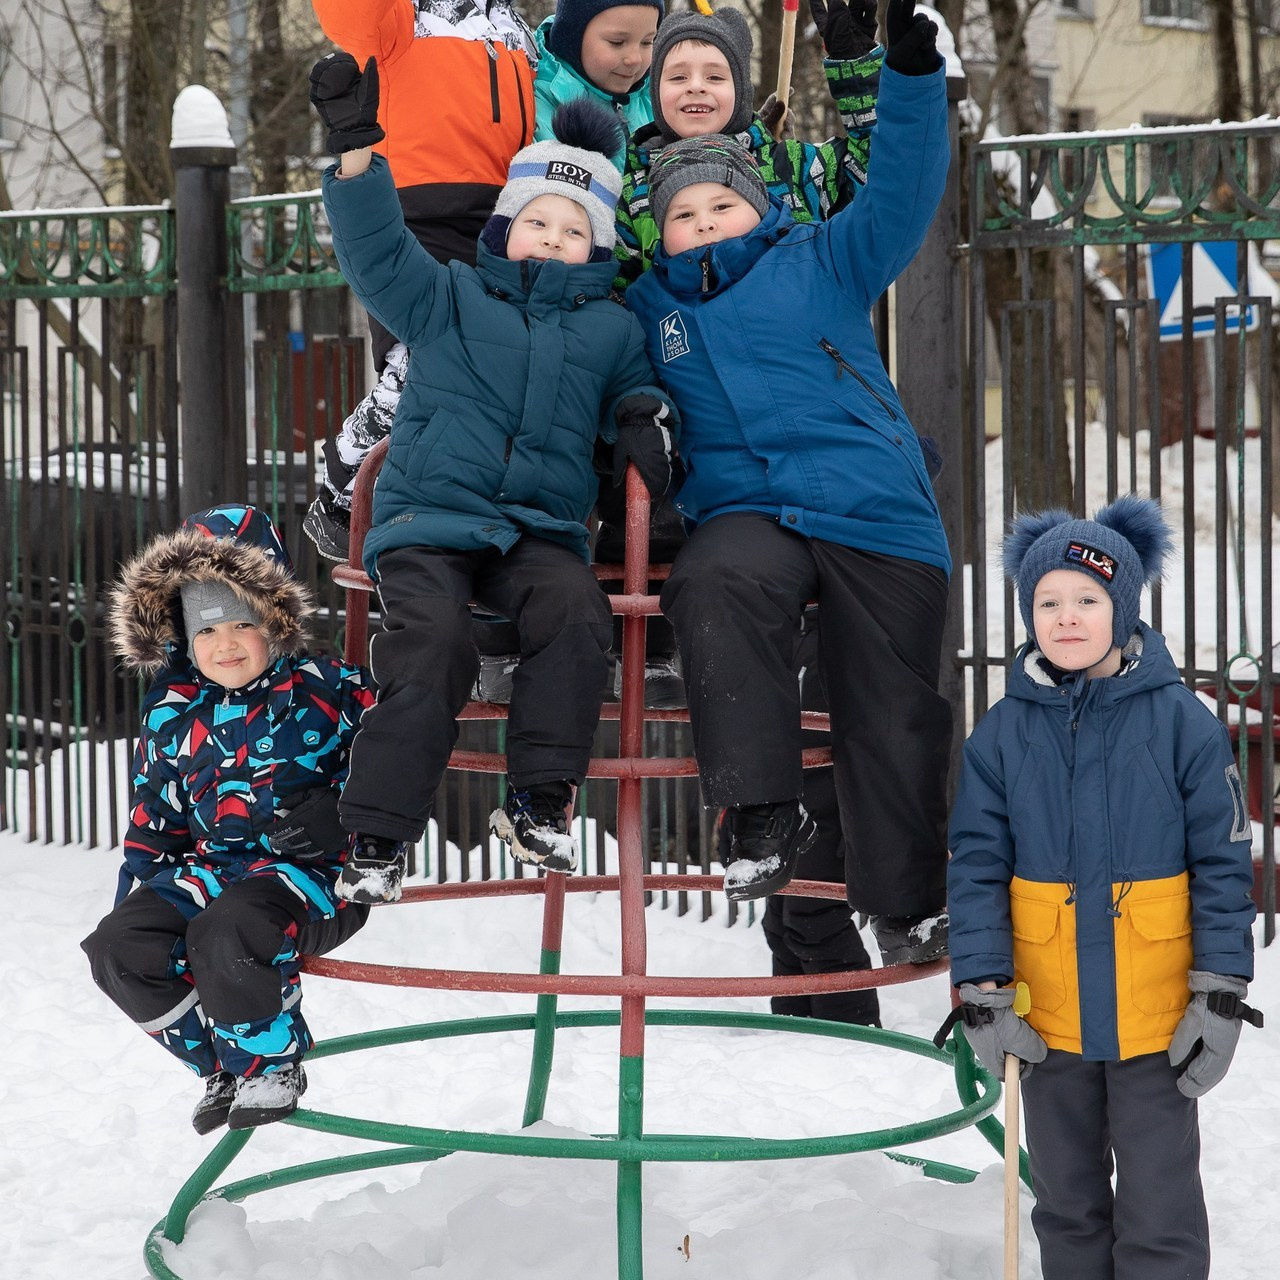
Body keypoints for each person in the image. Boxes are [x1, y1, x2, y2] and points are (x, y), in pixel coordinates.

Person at [622, 0, 951, 967]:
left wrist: (908, 79)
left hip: (869, 501)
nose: (704, 220)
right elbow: (573, 352)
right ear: (661, 232)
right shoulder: (646, 310)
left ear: (760, 205)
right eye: (682, 214)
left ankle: (906, 904)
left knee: (887, 703)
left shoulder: (823, 258)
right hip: (749, 509)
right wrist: (626, 410)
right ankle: (757, 817)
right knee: (714, 584)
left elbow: (899, 189)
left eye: (721, 203)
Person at [310, 55, 679, 900]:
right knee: (430, 643)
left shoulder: (611, 332)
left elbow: (639, 391)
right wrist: (356, 151)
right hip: (428, 523)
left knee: (576, 613)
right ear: (503, 226)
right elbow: (375, 251)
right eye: (536, 221)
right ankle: (376, 834)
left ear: (597, 246)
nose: (552, 238)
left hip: (535, 533)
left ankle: (541, 801)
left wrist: (642, 415)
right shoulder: (446, 297)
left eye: (573, 229)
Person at [945, 496, 1260, 1280]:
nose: (1068, 616)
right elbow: (976, 862)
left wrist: (1220, 992)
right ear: (1028, 614)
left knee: (1160, 1207)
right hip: (1046, 1024)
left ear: (1122, 608)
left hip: (1156, 1021)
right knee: (1067, 1203)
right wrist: (982, 986)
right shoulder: (1002, 734)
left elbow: (1223, 862)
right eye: (1048, 601)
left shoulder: (1183, 724)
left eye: (1088, 599)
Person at [81, 505, 375, 1132]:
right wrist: (138, 902)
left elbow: (398, 760)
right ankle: (223, 1064)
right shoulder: (172, 711)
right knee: (117, 946)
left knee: (228, 928)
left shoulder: (330, 689)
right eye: (207, 630)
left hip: (315, 876)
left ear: (275, 619)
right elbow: (154, 815)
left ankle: (270, 1064)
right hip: (213, 869)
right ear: (183, 638)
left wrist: (344, 816)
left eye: (242, 623)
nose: (225, 644)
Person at [304, 0, 540, 563]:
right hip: (413, 216)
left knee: (494, 375)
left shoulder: (516, 30)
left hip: (502, 223)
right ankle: (350, 477)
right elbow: (349, 16)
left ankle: (473, 517)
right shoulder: (398, 18)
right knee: (423, 361)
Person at [612, 1, 885, 288]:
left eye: (715, 76)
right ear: (656, 92)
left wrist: (859, 79)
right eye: (678, 77)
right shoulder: (634, 194)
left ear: (741, 92)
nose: (695, 86)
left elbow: (876, 175)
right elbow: (620, 297)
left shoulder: (791, 167)